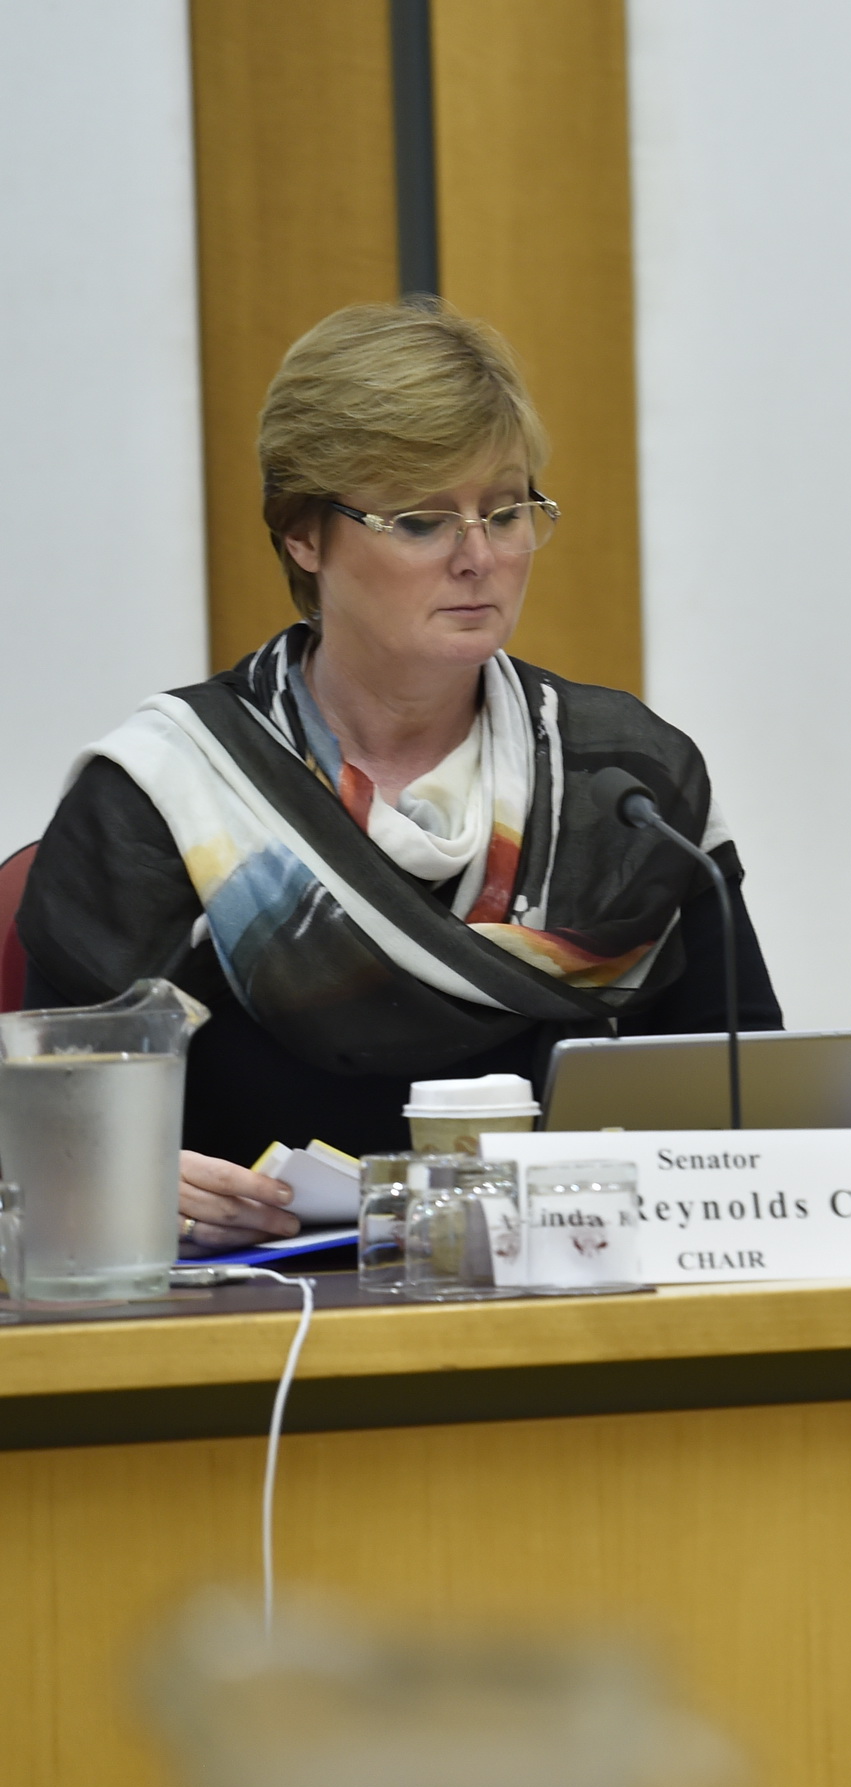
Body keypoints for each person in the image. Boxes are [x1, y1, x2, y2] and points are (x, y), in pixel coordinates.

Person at [16, 299, 780, 1250]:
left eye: (506, 511)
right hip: (257, 1328)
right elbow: (52, 1148)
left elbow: (757, 1107)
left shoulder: (626, 780)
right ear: (304, 536)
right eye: (422, 520)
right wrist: (122, 1181)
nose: (479, 557)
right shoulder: (167, 795)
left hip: (577, 1303)